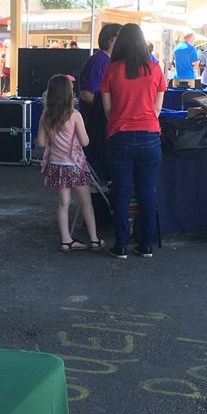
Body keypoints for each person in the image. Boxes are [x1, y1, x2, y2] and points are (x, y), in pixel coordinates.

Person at [101, 23, 167, 259]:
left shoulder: (110, 70)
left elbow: (107, 111)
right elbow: (158, 109)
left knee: (120, 192)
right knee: (147, 191)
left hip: (120, 137)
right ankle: (146, 245)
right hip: (150, 137)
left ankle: (120, 246)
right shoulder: (155, 70)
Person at [37, 74, 103, 252]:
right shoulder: (75, 115)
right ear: (68, 94)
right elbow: (85, 142)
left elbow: (41, 143)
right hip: (75, 166)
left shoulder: (45, 116)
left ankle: (66, 240)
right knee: (86, 201)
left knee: (63, 202)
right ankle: (94, 239)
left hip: (57, 165)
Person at [77, 23, 123, 166]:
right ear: (110, 39)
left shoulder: (111, 61)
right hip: (95, 122)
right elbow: (86, 94)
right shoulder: (98, 62)